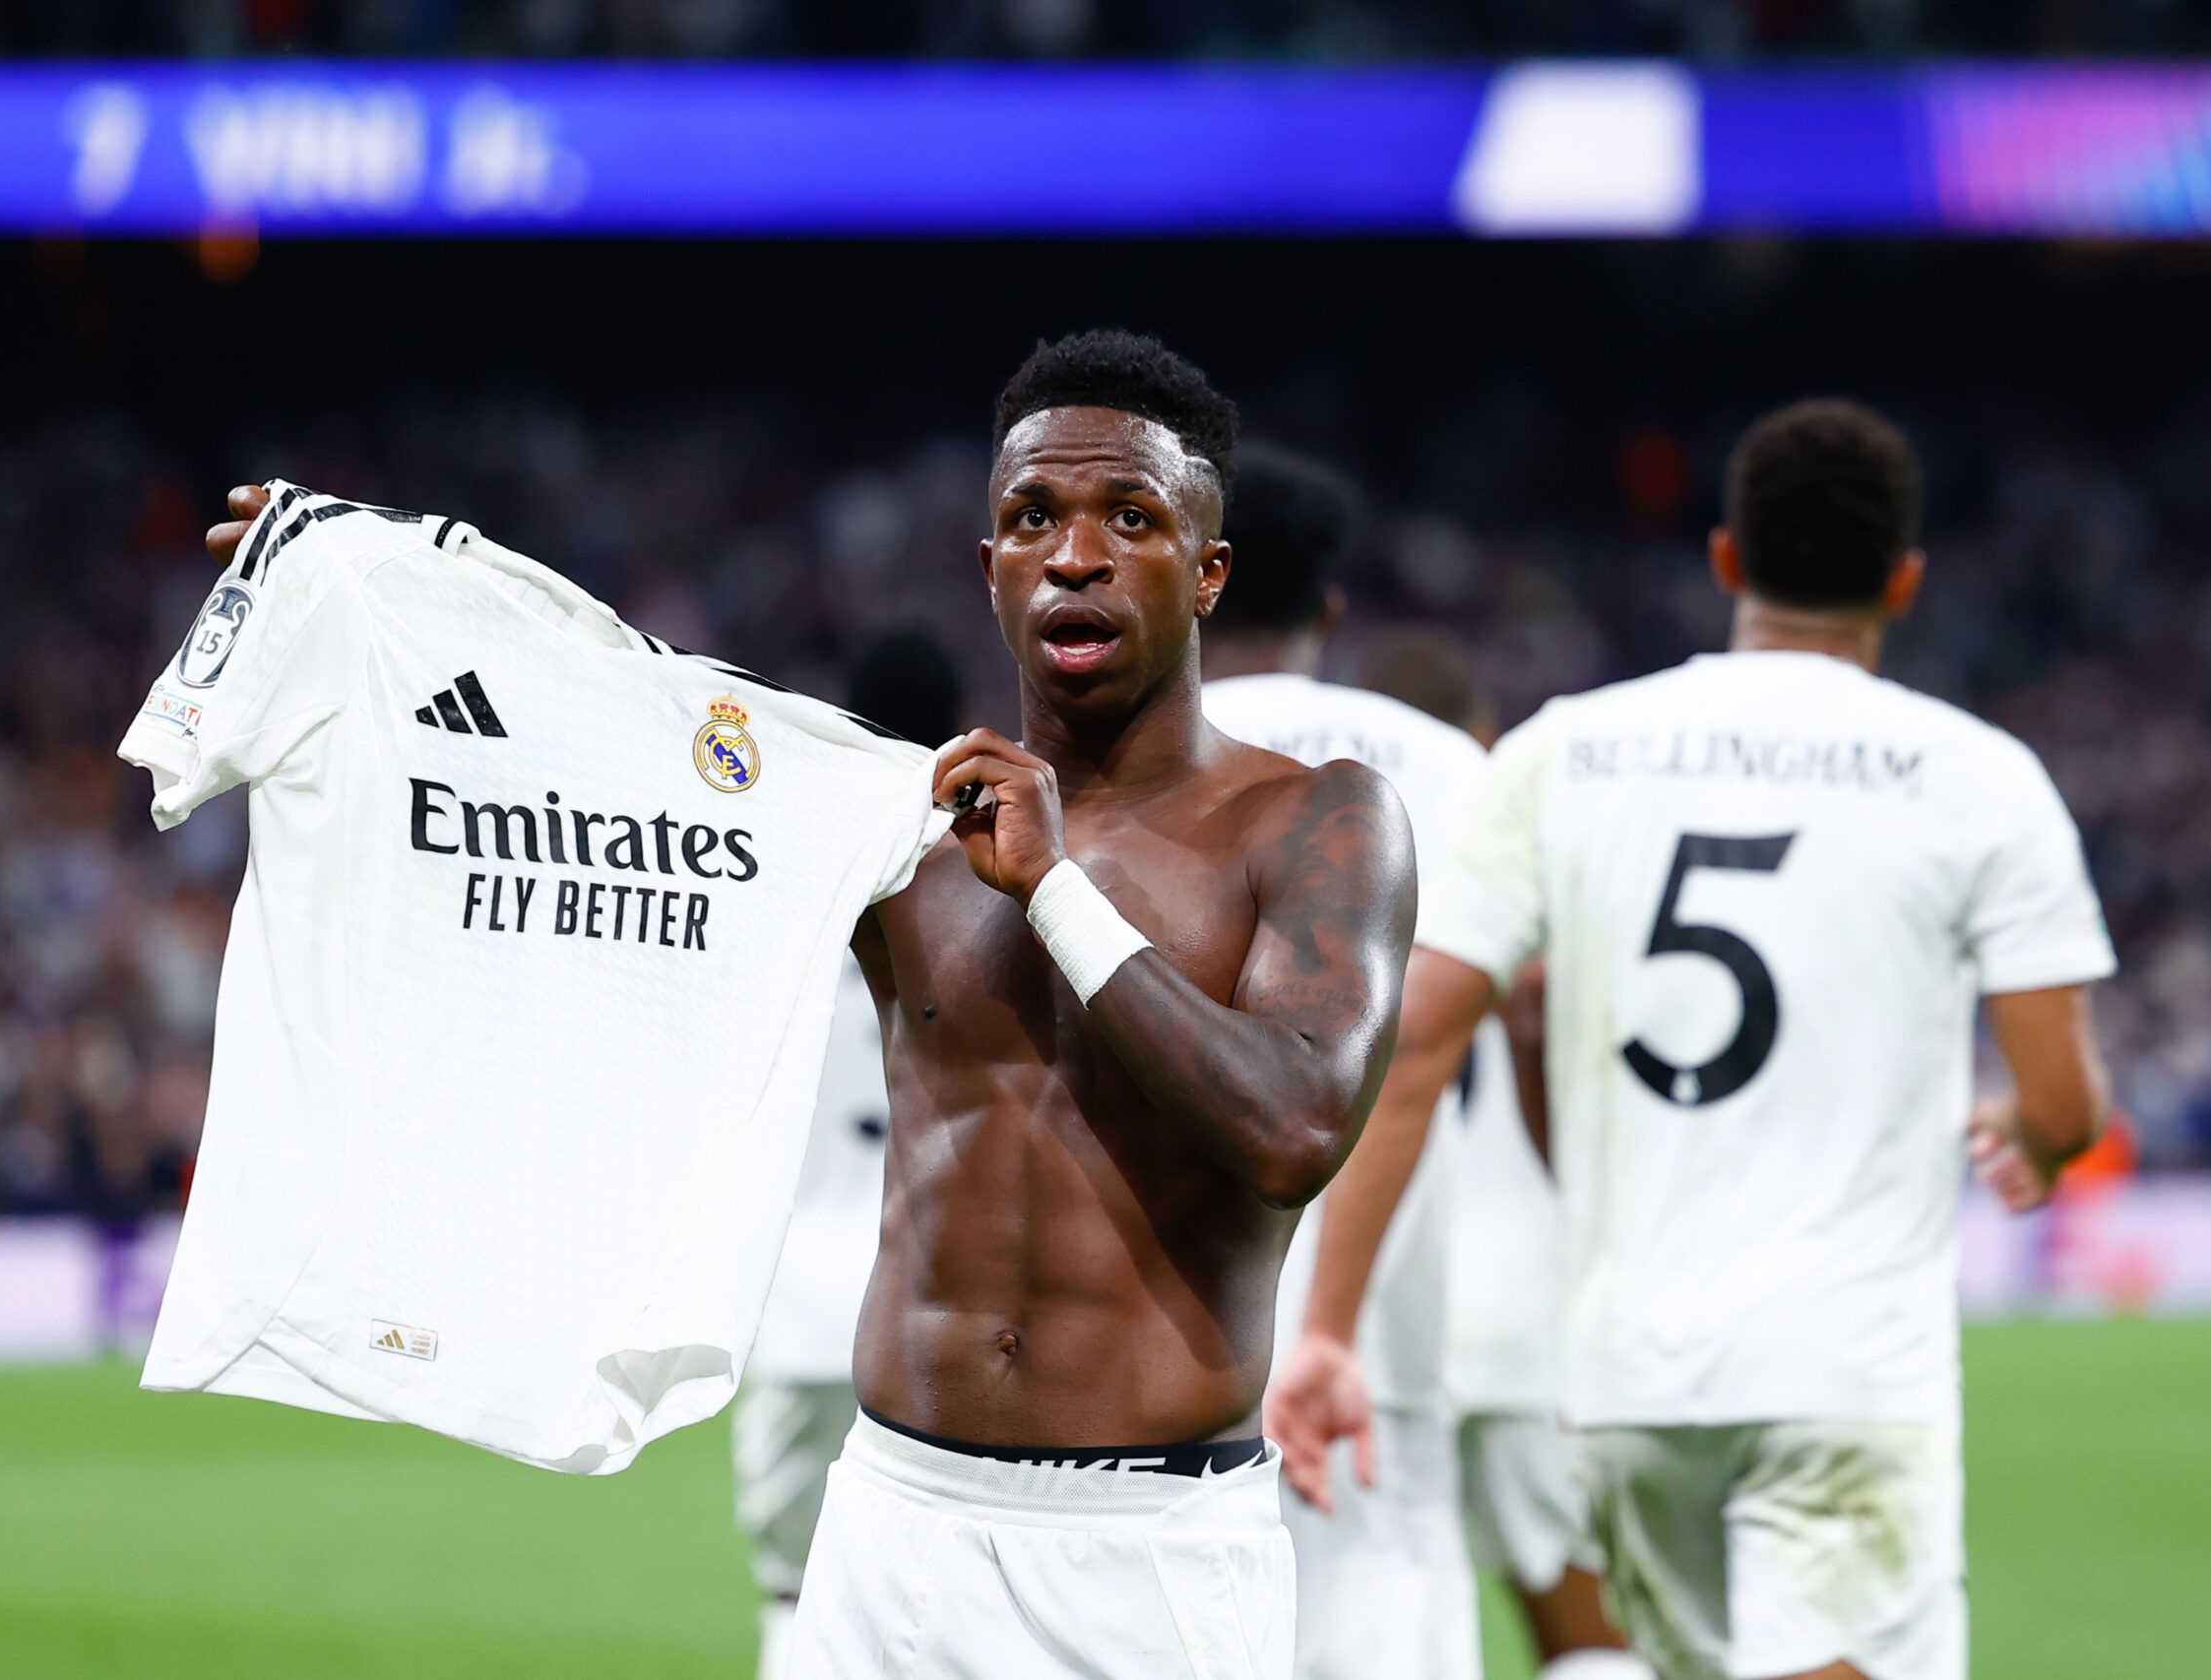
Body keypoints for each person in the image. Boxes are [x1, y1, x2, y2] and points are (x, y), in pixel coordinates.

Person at [208, 331, 1417, 1678]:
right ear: (990, 570)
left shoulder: (1316, 819)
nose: (1074, 554)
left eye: (1128, 518)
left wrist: (1057, 891)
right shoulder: (894, 817)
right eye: (1032, 520)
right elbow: (618, 729)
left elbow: (1294, 1124)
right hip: (891, 1526)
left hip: (1151, 1546)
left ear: (1207, 570)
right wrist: (388, 590)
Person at [1273, 398, 2116, 1680]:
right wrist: (2031, 1136)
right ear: (1905, 577)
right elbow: (2062, 1097)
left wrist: (1328, 1323)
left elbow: (1417, 1036)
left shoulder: (1567, 751)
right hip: (1844, 1368)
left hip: (1627, 1379)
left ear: (1725, 558)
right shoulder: (1976, 776)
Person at [1199, 446, 1491, 1680]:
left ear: (1197, 585)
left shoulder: (1136, 753)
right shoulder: (1449, 765)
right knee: (1388, 1555)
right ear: (1330, 609)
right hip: (1389, 1263)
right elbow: (1485, 1017)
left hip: (1178, 1275)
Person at [1358, 631, 1649, 1680]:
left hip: (1379, 1307)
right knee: (1594, 1646)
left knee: (1378, 1626)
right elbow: (1547, 1040)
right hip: (1528, 1307)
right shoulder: (1525, 853)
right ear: (1479, 739)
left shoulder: (1320, 862)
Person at [734, 630, 967, 1680]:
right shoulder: (992, 871)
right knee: (942, 1601)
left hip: (793, 1306)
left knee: (795, 1595)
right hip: (935, 1303)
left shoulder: (788, 871)